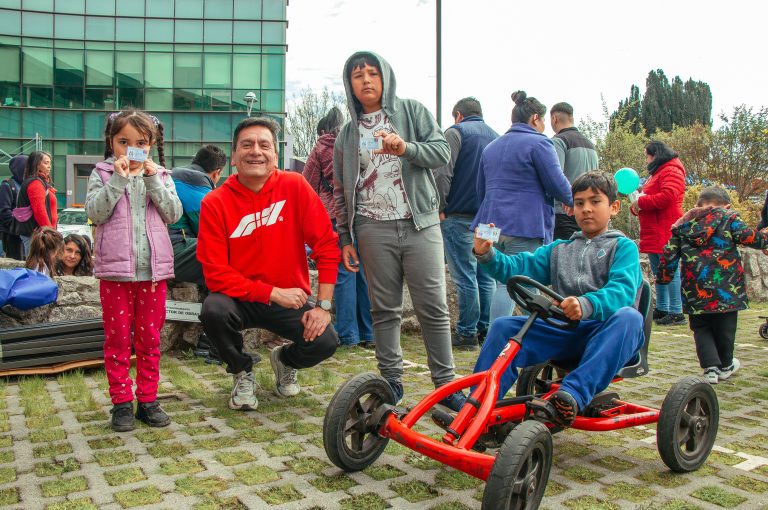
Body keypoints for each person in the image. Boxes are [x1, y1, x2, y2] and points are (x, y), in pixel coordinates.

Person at [333, 51, 465, 411]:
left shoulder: (412, 112)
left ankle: (446, 385)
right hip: (372, 227)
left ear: (385, 77)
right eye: (357, 75)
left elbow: (440, 152)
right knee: (384, 309)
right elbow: (339, 190)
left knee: (433, 307)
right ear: (350, 85)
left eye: (372, 73)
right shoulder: (347, 134)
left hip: (420, 223)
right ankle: (391, 382)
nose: (365, 80)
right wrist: (345, 237)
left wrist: (406, 147)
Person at [473, 171, 644, 427]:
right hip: (566, 332)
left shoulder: (623, 248)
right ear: (571, 208)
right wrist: (487, 254)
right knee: (503, 326)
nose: (586, 209)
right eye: (579, 203)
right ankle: (476, 407)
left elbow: (622, 291)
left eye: (595, 201)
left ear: (614, 207)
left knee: (630, 316)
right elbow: (519, 266)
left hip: (606, 336)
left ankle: (571, 395)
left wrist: (586, 304)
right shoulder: (560, 249)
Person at [198, 117, 340, 412]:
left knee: (325, 341)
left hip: (289, 298)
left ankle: (284, 360)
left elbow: (327, 246)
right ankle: (242, 369)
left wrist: (322, 307)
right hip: (240, 299)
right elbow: (215, 274)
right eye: (246, 145)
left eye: (264, 145)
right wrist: (272, 292)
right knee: (213, 310)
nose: (256, 151)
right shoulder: (215, 202)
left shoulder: (295, 186)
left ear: (275, 155)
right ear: (234, 156)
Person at [85, 109, 182, 432]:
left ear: (151, 144)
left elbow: (173, 213)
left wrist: (152, 178)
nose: (131, 149)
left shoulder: (162, 176)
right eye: (123, 142)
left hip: (153, 274)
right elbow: (96, 213)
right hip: (116, 274)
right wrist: (118, 178)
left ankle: (148, 400)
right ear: (112, 143)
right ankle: (121, 403)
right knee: (116, 340)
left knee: (150, 339)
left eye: (140, 142)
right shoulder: (102, 173)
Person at [473, 91, 573, 321]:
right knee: (522, 281)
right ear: (535, 118)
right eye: (543, 121)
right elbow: (557, 182)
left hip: (490, 223)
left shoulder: (491, 147)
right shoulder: (540, 144)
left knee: (501, 282)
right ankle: (527, 337)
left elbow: (481, 190)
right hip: (523, 223)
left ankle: (500, 335)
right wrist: (573, 202)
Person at [658, 186, 767, 384]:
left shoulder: (683, 226)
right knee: (726, 328)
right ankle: (725, 365)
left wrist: (664, 278)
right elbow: (750, 237)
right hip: (726, 288)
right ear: (727, 206)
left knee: (701, 329)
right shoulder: (729, 219)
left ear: (697, 206)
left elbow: (669, 255)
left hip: (694, 291)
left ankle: (710, 368)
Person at [303, 107, 374, 348]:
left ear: (322, 129)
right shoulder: (357, 141)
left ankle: (347, 335)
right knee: (363, 274)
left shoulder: (321, 147)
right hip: (363, 214)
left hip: (335, 215)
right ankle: (369, 333)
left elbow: (307, 185)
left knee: (343, 274)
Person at [434, 97, 498, 350]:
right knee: (486, 274)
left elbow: (443, 172)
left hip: (459, 214)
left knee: (465, 275)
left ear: (458, 115)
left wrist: (440, 206)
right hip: (488, 217)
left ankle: (466, 332)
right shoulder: (497, 136)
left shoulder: (456, 133)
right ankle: (485, 328)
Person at [630, 141, 686, 326]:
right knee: (658, 270)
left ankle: (676, 310)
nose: (646, 160)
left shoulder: (671, 171)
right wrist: (637, 204)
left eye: (647, 155)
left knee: (670, 269)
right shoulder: (659, 173)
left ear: (656, 155)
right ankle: (663, 307)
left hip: (665, 227)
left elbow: (668, 196)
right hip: (654, 228)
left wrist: (642, 202)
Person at [167, 144, 226, 286]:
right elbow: (206, 229)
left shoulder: (172, 175)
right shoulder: (195, 182)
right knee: (228, 250)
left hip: (161, 245)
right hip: (173, 248)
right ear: (217, 172)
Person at [550, 102, 599, 240]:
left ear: (554, 119)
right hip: (588, 212)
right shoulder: (591, 144)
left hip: (564, 213)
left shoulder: (558, 141)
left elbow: (554, 176)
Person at [16, 151, 58, 255]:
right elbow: (40, 211)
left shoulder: (40, 182)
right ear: (37, 164)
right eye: (46, 163)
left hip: (41, 234)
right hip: (38, 235)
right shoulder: (35, 183)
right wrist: (50, 233)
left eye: (49, 163)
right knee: (37, 268)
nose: (49, 166)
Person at [0, 154, 27, 260]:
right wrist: (17, 226)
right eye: (26, 168)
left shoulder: (25, 185)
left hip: (23, 234)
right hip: (10, 234)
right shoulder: (7, 185)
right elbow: (4, 211)